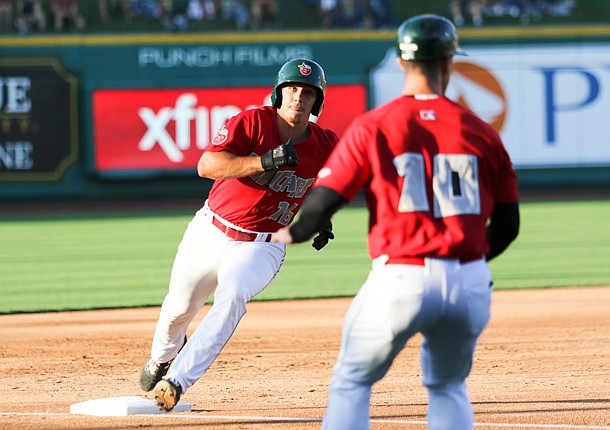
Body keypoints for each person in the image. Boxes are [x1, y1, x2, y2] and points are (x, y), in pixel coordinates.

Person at [273, 14, 520, 430]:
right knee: (448, 387)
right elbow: (509, 225)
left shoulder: (374, 126)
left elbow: (325, 201)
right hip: (468, 282)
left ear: (403, 64)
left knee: (352, 381)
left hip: (401, 278)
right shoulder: (482, 132)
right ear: (449, 64)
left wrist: (293, 232)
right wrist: (471, 263)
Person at [139, 58, 339, 412]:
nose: (299, 97)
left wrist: (322, 215)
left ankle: (176, 381)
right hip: (210, 230)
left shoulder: (325, 143)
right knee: (176, 311)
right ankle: (162, 359)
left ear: (317, 102)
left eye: (308, 92)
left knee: (232, 297)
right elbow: (207, 165)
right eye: (292, 89)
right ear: (279, 93)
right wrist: (263, 161)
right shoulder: (253, 122)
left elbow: (333, 183)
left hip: (262, 245)